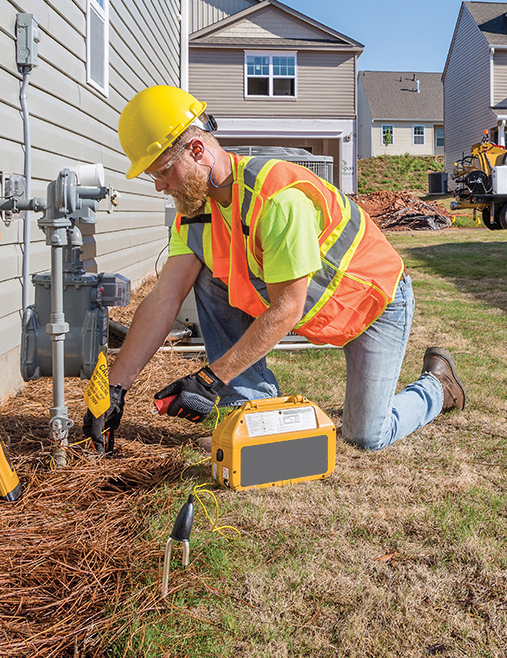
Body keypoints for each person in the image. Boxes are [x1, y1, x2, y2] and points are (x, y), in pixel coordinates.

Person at [83, 85, 464, 454]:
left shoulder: (276, 199)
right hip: (322, 310)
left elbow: (287, 308)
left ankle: (437, 385)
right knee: (202, 276)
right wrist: (116, 389)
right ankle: (249, 413)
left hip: (374, 304)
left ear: (196, 150)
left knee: (366, 436)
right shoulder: (195, 217)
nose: (159, 186)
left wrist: (210, 378)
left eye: (163, 172)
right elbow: (163, 299)